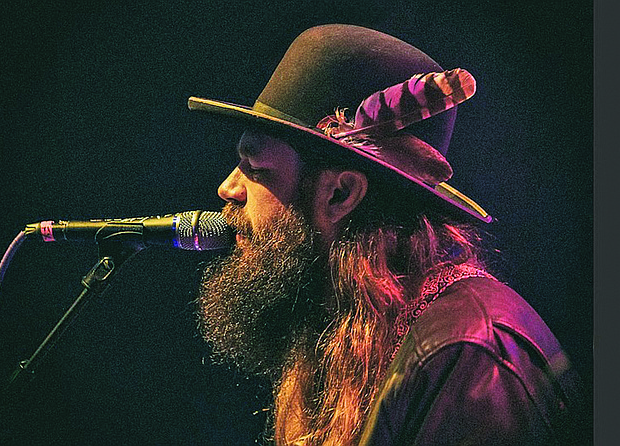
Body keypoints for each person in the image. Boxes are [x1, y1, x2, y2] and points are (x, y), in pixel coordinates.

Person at [188, 24, 584, 445]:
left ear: (340, 193)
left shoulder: (468, 355)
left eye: (255, 167)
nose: (228, 189)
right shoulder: (339, 325)